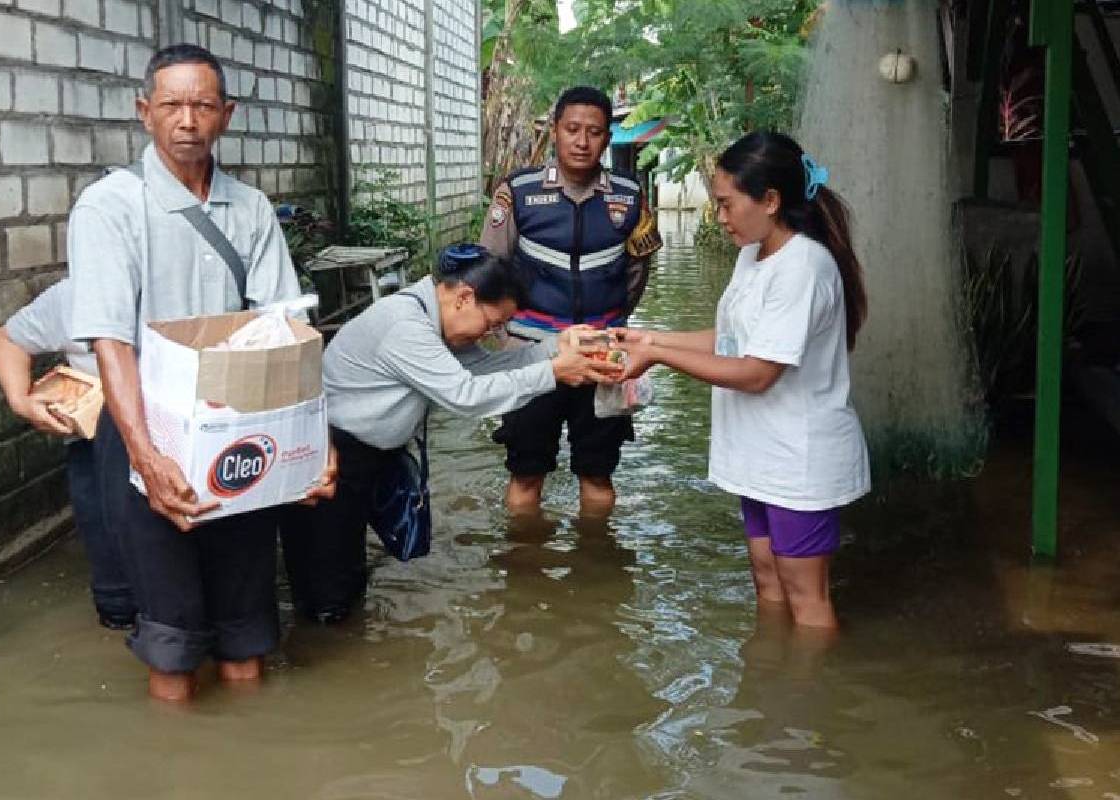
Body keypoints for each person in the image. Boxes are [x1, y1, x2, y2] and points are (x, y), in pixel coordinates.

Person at [67, 44, 335, 701]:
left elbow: (283, 336)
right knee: (173, 646)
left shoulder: (250, 210)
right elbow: (111, 344)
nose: (187, 119)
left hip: (237, 434)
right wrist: (148, 458)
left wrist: (309, 450)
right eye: (171, 105)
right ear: (144, 113)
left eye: (203, 105)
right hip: (143, 434)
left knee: (247, 639)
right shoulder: (110, 208)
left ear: (227, 114)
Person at [279, 244, 621, 623]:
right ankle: (319, 658)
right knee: (327, 585)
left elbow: (486, 369)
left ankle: (347, 648)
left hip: (364, 456)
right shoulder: (406, 326)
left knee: (348, 572)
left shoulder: (433, 320)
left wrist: (554, 347)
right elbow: (466, 394)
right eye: (492, 324)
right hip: (331, 457)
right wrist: (554, 371)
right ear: (464, 297)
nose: (493, 334)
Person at [615, 132, 870, 629]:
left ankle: (809, 697)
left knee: (807, 598)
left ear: (771, 200)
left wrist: (658, 355)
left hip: (798, 461)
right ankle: (768, 689)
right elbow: (732, 339)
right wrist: (647, 338)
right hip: (759, 456)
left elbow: (756, 373)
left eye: (727, 204)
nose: (721, 217)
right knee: (767, 579)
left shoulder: (804, 267)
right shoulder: (753, 256)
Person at [480, 85, 660, 517]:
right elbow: (490, 268)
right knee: (525, 473)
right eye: (573, 129)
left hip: (602, 357)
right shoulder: (518, 193)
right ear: (555, 130)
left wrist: (611, 327)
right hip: (530, 356)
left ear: (607, 136)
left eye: (594, 131)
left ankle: (597, 570)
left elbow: (637, 273)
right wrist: (505, 340)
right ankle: (524, 574)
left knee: (598, 474)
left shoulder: (629, 197)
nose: (582, 141)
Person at [0, 278, 137, 630]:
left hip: (176, 436)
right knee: (118, 600)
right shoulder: (76, 294)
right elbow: (9, 340)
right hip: (96, 439)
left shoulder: (193, 284)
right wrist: (21, 401)